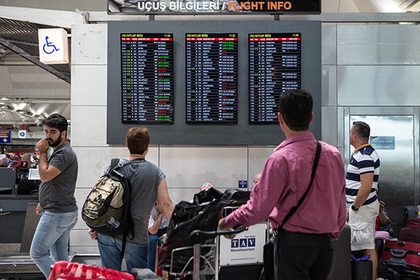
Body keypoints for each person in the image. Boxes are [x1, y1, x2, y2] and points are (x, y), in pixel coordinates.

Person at [219, 89, 347, 280]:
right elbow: (340, 204)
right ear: (311, 117)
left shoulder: (280, 159)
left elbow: (259, 209)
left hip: (293, 246)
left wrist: (227, 221)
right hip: (325, 248)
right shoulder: (333, 155)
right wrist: (330, 235)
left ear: (280, 118)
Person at [88, 126, 174, 272]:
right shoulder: (155, 172)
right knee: (138, 275)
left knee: (110, 275)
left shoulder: (112, 166)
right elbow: (166, 204)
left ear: (127, 145)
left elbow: (99, 198)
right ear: (147, 147)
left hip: (108, 232)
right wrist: (178, 230)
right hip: (136, 236)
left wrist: (94, 226)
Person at [30, 113, 78, 278]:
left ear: (63, 134)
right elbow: (53, 181)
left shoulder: (63, 153)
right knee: (60, 258)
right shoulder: (60, 151)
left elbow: (45, 175)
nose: (47, 136)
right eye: (46, 132)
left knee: (37, 253)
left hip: (57, 213)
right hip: (62, 211)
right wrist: (42, 202)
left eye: (52, 132)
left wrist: (42, 153)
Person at [346, 121, 380, 280]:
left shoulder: (364, 155)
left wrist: (354, 207)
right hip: (363, 208)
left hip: (362, 209)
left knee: (367, 246)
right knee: (365, 245)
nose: (349, 135)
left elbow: (366, 187)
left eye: (350, 132)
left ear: (354, 136)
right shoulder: (366, 152)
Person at [148, 199, 171, 272]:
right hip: (151, 231)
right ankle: (152, 272)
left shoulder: (169, 203)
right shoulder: (148, 206)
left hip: (166, 230)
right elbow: (152, 231)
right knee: (153, 239)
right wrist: (161, 213)